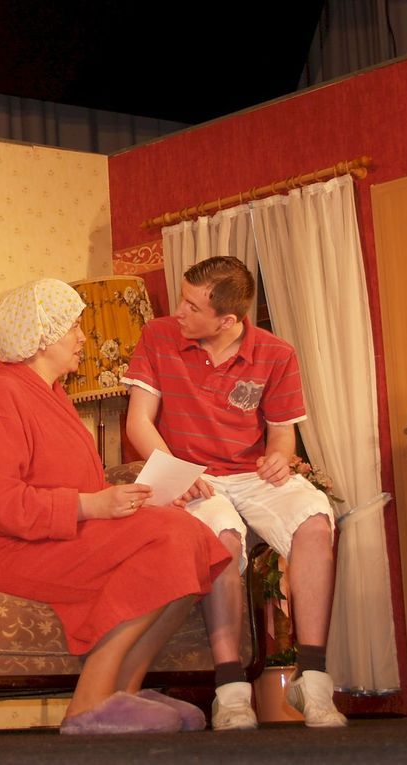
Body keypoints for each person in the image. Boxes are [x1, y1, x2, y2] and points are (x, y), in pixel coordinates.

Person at [0, 278, 231, 735]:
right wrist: (90, 505)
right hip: (5, 549)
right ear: (42, 336)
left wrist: (145, 498)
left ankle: (125, 693)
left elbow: (89, 493)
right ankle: (89, 703)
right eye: (73, 328)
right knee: (173, 537)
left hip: (56, 536)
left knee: (195, 539)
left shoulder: (54, 397)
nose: (83, 338)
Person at [123, 255, 346, 730]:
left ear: (227, 320)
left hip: (251, 476)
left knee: (314, 516)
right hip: (192, 474)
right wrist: (176, 471)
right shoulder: (158, 336)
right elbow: (139, 421)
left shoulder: (276, 354)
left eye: (191, 306)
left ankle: (313, 678)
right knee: (220, 536)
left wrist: (279, 456)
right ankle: (230, 691)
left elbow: (281, 434)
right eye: (182, 299)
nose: (178, 312)